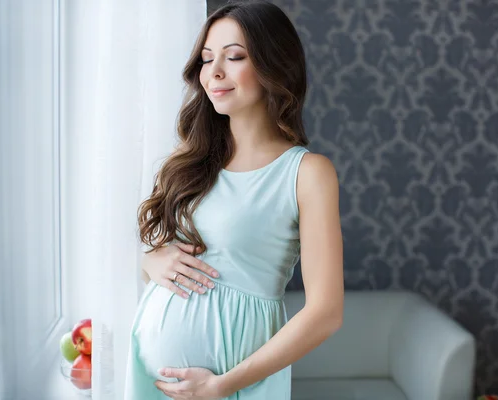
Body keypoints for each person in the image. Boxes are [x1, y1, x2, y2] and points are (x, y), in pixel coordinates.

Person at [124, 1, 344, 399]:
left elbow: (325, 313)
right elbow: (175, 263)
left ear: (273, 65)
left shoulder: (307, 174)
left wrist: (222, 385)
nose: (215, 73)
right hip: (150, 377)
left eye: (235, 57)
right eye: (207, 60)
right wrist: (150, 261)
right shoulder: (190, 161)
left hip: (231, 386)